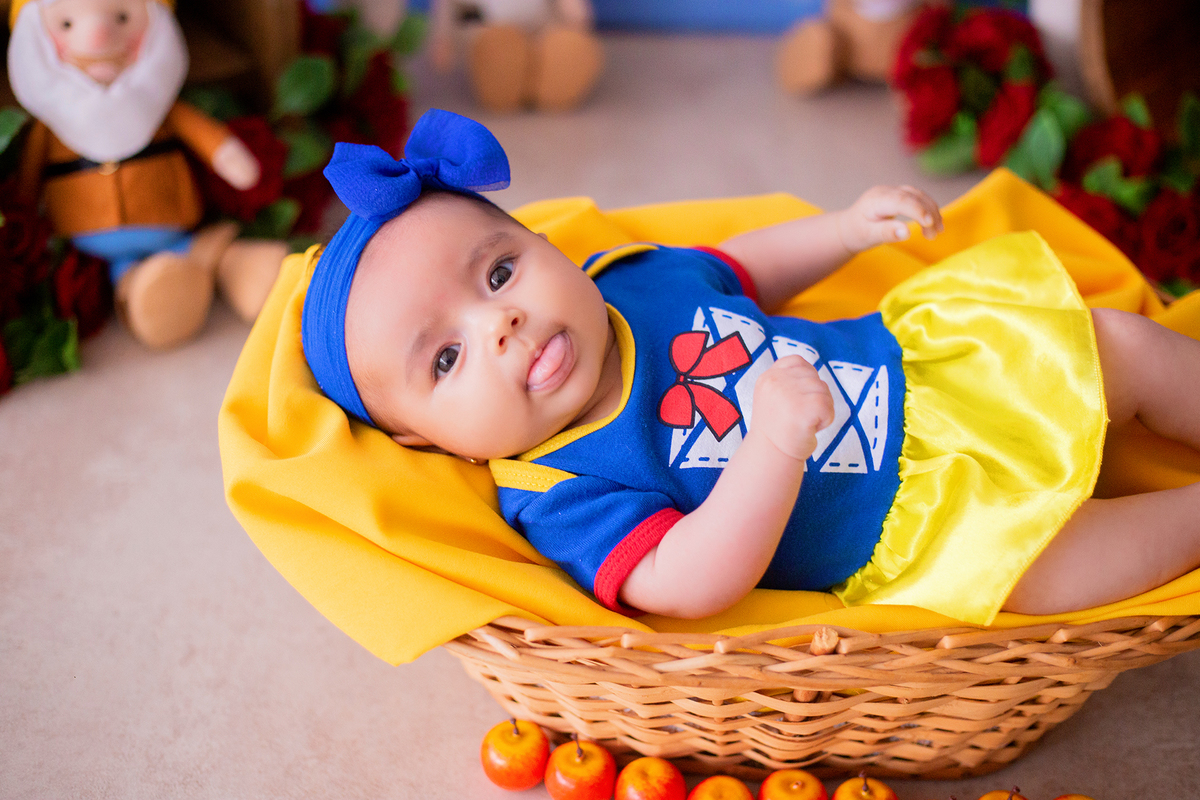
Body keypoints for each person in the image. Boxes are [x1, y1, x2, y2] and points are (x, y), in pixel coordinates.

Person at [301, 109, 1200, 625]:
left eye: (500, 271)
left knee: (1113, 345)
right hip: (907, 522)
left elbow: (742, 265)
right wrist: (768, 445)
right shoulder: (558, 489)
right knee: (1045, 572)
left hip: (925, 367)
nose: (502, 322)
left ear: (546, 242)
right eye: (448, 357)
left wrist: (846, 229)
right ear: (424, 440)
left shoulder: (627, 282)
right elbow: (688, 580)